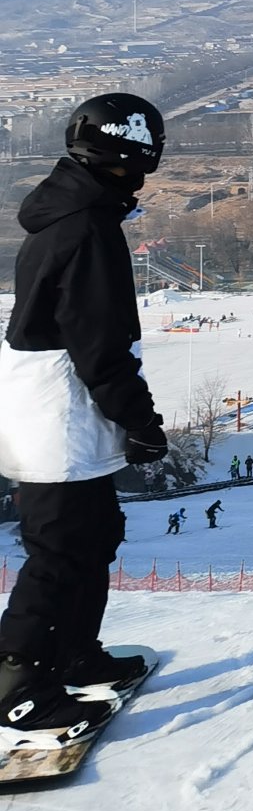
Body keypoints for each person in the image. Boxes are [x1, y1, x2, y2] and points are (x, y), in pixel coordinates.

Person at [0, 95, 168, 736]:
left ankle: (72, 652)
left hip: (60, 404)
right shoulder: (88, 231)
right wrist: (142, 423)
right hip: (57, 413)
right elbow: (103, 348)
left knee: (94, 535)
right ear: (135, 155)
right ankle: (19, 684)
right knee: (59, 550)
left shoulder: (71, 215)